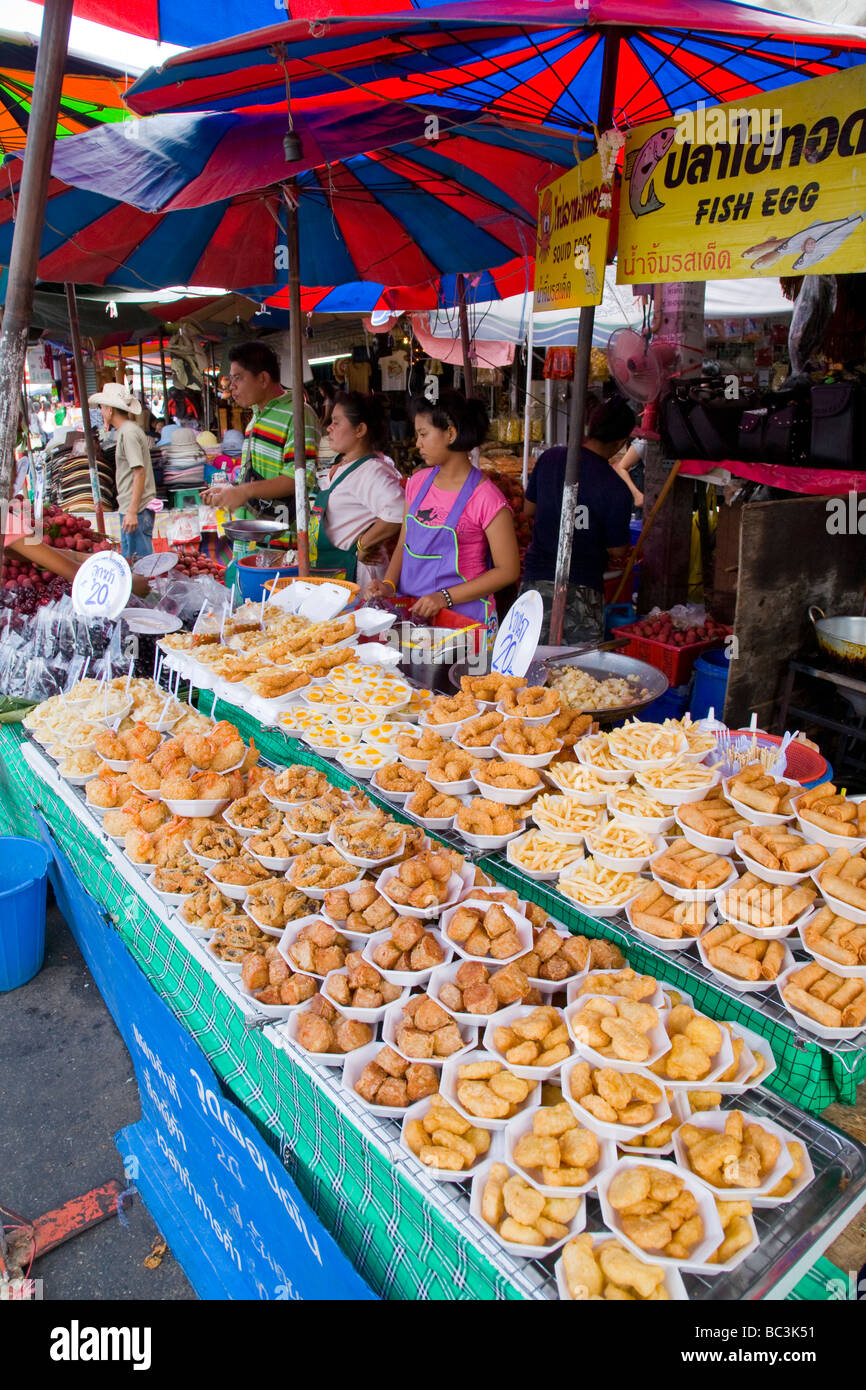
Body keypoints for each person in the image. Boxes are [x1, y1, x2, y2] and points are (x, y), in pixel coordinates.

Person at [365, 389, 519, 637]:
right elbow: (405, 543)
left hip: (465, 621)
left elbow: (508, 570)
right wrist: (388, 585)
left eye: (424, 434)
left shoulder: (487, 498)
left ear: (450, 433)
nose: (417, 444)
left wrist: (445, 597)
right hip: (414, 614)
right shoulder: (417, 482)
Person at [521, 394, 637, 645]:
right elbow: (617, 549)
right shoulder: (616, 488)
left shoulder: (550, 458)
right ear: (621, 442)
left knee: (527, 661)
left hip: (536, 582)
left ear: (590, 428)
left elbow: (528, 510)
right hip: (583, 590)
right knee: (575, 670)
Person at [200, 342, 320, 536]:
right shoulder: (255, 417)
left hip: (283, 542)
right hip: (251, 534)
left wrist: (244, 491)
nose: (233, 386)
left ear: (263, 379)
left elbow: (297, 479)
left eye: (238, 378)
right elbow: (252, 478)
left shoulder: (298, 414)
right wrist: (229, 490)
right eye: (231, 379)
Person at [312, 392, 405, 586]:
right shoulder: (343, 463)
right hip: (332, 566)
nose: (329, 428)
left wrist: (365, 544)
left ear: (360, 429)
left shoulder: (372, 470)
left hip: (357, 572)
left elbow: (399, 511)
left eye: (337, 422)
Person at [88, 382, 156, 560]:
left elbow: (139, 473)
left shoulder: (128, 433)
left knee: (139, 566)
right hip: (132, 508)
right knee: (132, 563)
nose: (101, 412)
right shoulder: (127, 431)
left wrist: (132, 511)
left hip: (137, 510)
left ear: (110, 410)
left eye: (102, 407)